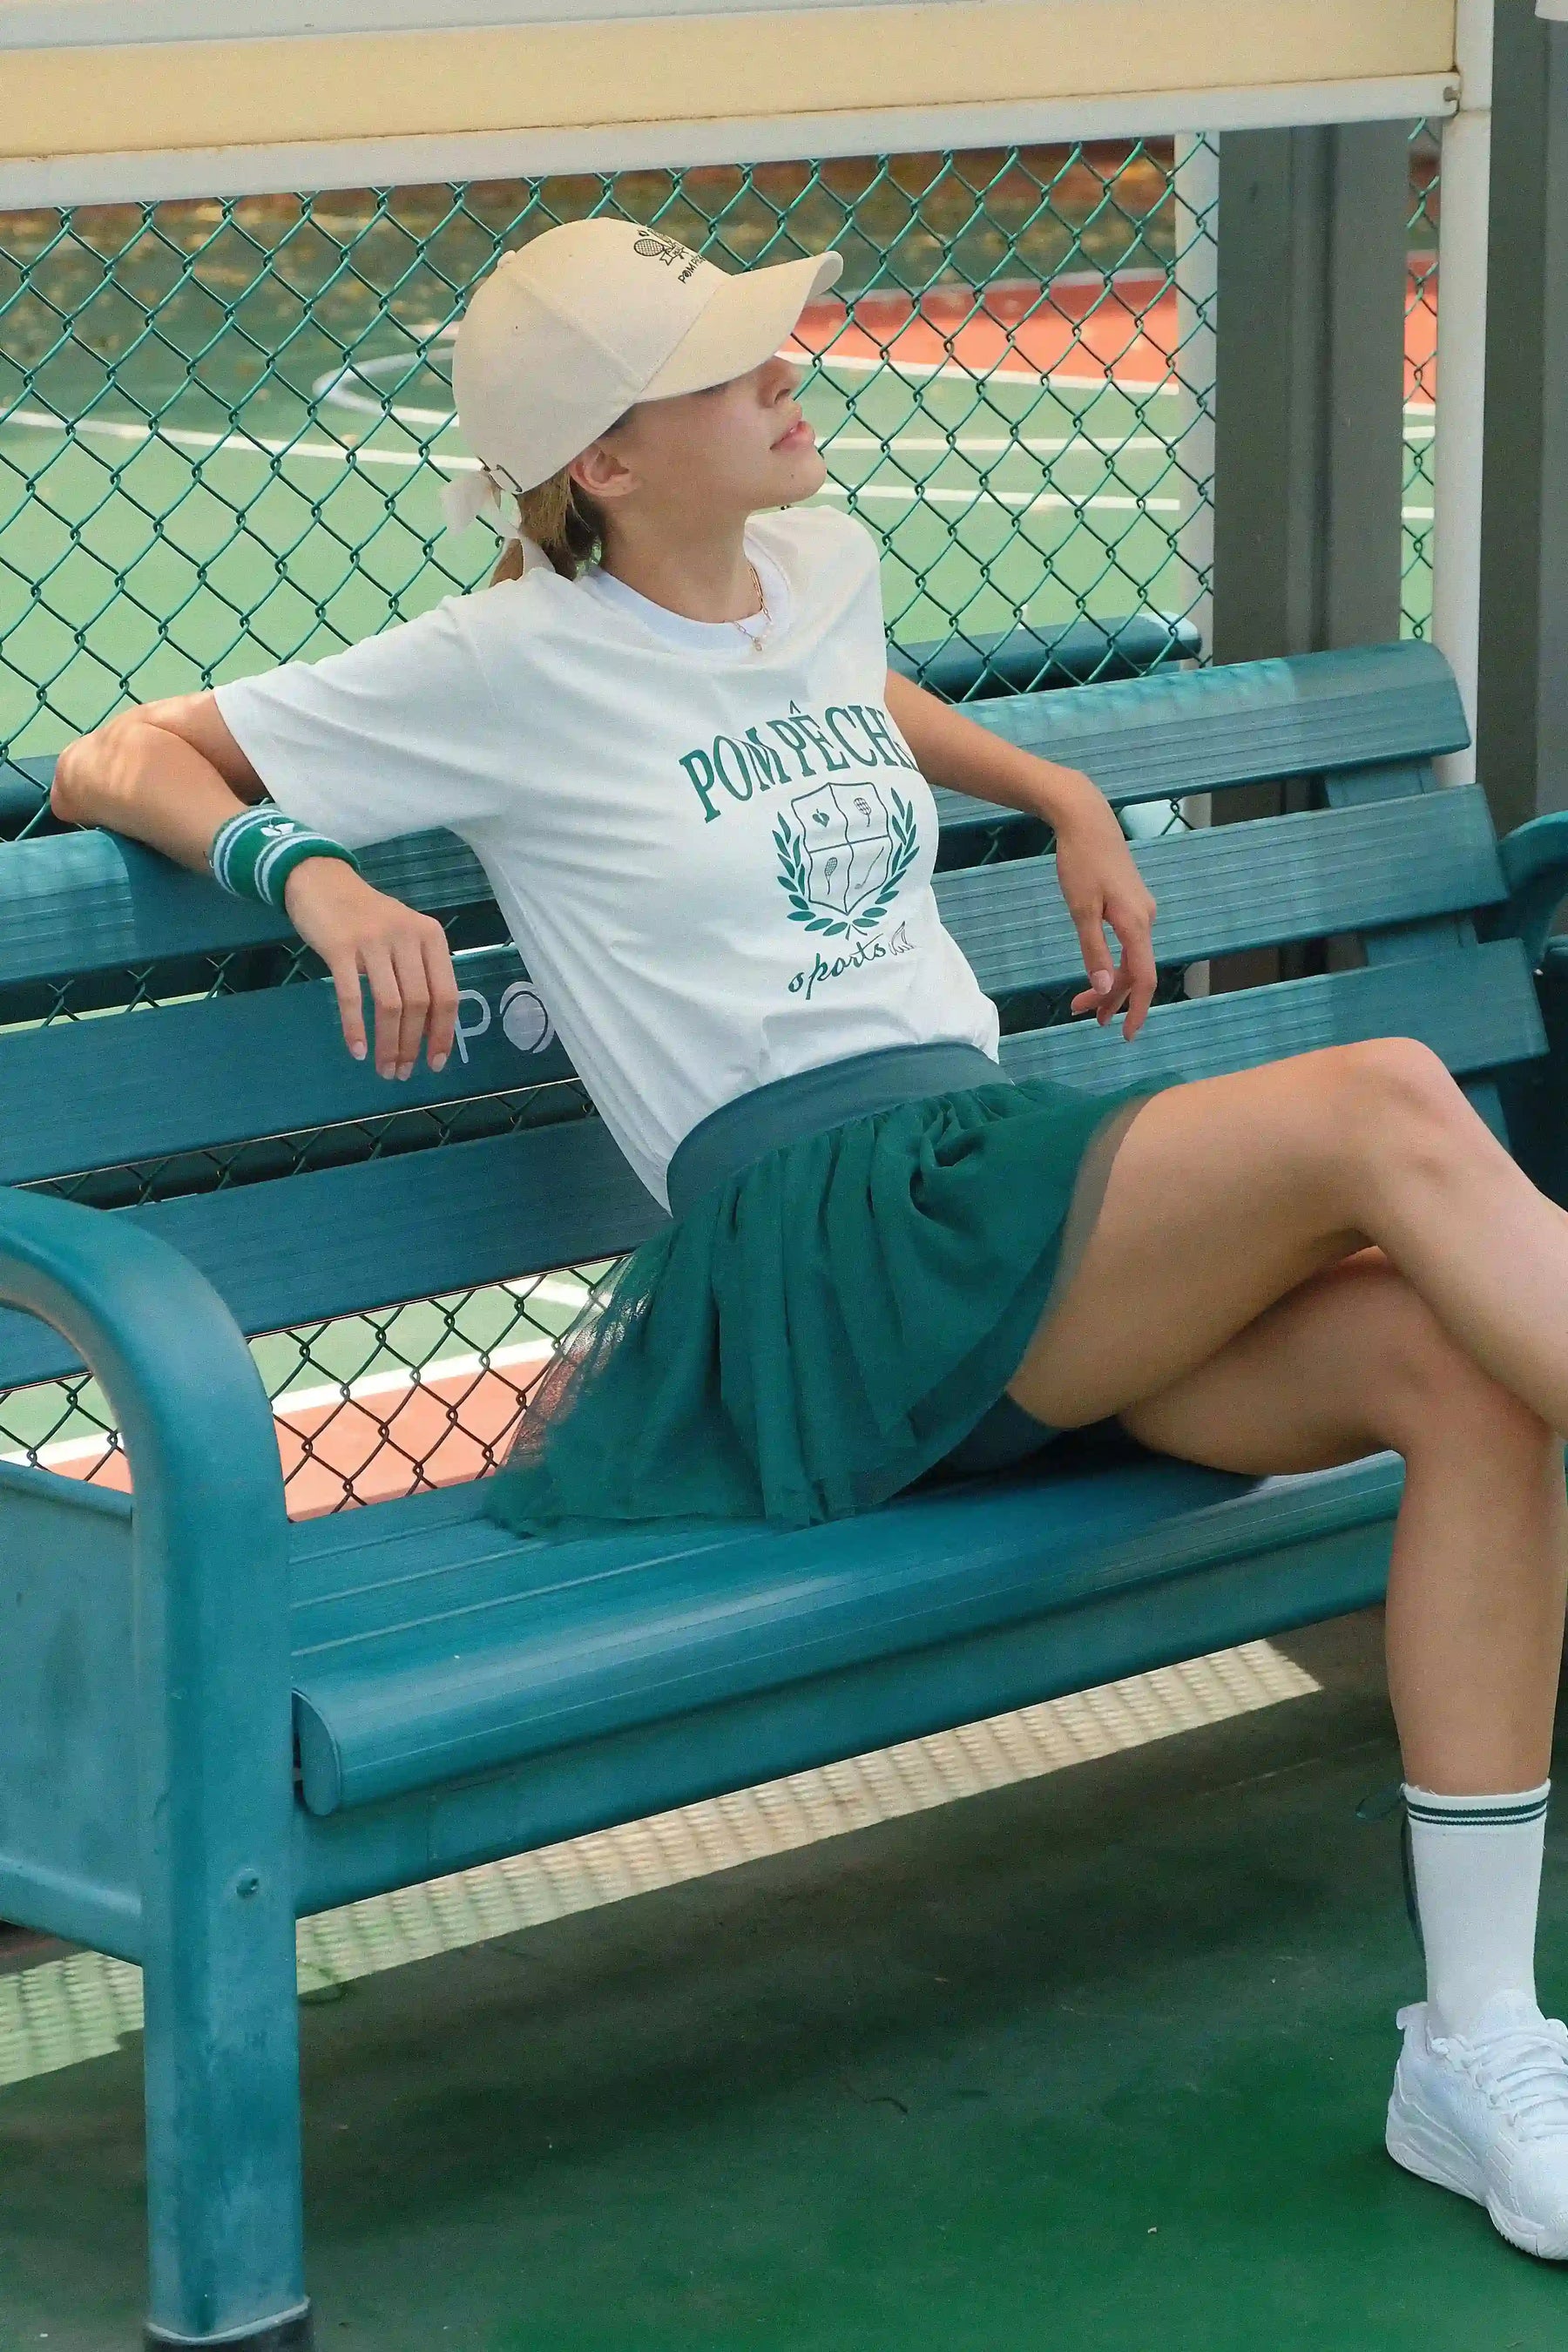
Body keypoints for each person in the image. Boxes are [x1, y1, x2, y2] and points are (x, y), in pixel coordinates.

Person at [49, 214, 1568, 2257]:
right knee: (1378, 1100)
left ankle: (1477, 2048)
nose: (791, 372)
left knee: (1460, 1372)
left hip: (986, 1219)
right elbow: (118, 752)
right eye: (731, 368)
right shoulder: (505, 663)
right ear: (605, 460)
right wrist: (305, 873)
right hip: (830, 1254)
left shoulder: (820, 568)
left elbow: (848, 685)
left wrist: (1056, 788)